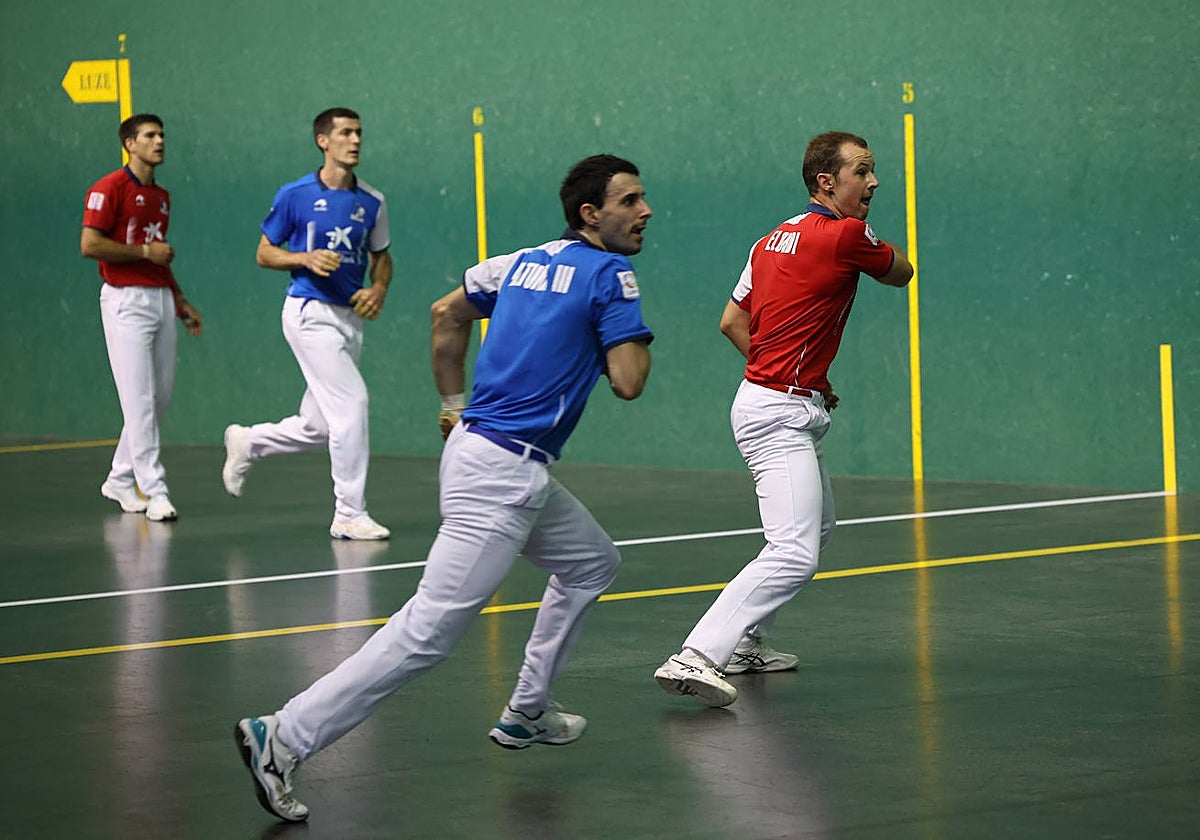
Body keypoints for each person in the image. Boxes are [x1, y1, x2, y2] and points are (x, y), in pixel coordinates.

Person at [234, 154, 654, 823]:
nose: (644, 212)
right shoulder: (612, 274)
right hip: (503, 475)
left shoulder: (516, 262)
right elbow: (630, 381)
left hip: (479, 452)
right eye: (630, 201)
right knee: (425, 632)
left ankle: (527, 708)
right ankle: (282, 736)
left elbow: (445, 313)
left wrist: (452, 402)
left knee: (591, 562)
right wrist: (623, 317)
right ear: (590, 214)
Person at [654, 131, 914, 707]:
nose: (874, 183)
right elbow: (902, 272)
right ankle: (696, 655)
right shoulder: (847, 234)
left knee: (815, 529)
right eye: (863, 172)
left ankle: (747, 643)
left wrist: (796, 376)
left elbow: (731, 321)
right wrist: (790, 380)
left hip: (770, 398)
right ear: (827, 182)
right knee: (794, 550)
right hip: (778, 411)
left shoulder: (768, 242)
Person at [221, 107, 393, 540]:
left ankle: (250, 442)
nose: (355, 141)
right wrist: (304, 258)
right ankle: (349, 513)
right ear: (323, 141)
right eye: (345, 133)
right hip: (309, 312)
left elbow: (382, 258)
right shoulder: (295, 195)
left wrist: (378, 290)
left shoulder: (372, 201)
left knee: (320, 425)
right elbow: (264, 252)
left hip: (350, 319)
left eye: (359, 133)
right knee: (352, 405)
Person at [82, 113, 203, 523]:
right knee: (138, 401)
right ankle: (154, 488)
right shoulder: (108, 188)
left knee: (157, 398)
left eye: (162, 135)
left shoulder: (162, 196)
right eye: (150, 136)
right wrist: (145, 254)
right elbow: (90, 244)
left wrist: (180, 298)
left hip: (160, 300)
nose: (159, 141)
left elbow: (158, 255)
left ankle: (119, 477)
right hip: (124, 301)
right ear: (130, 144)